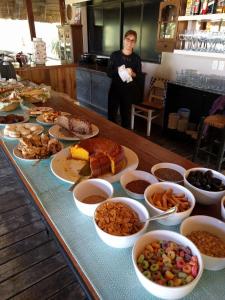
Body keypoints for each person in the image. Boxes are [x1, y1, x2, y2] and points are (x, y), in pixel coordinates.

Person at [107, 30, 142, 129]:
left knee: (126, 119)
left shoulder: (136, 59)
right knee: (111, 117)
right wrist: (118, 70)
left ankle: (124, 142)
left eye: (133, 40)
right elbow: (109, 73)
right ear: (124, 40)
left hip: (128, 92)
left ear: (135, 43)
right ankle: (111, 140)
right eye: (128, 39)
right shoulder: (115, 55)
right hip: (114, 90)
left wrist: (133, 73)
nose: (130, 42)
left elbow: (139, 76)